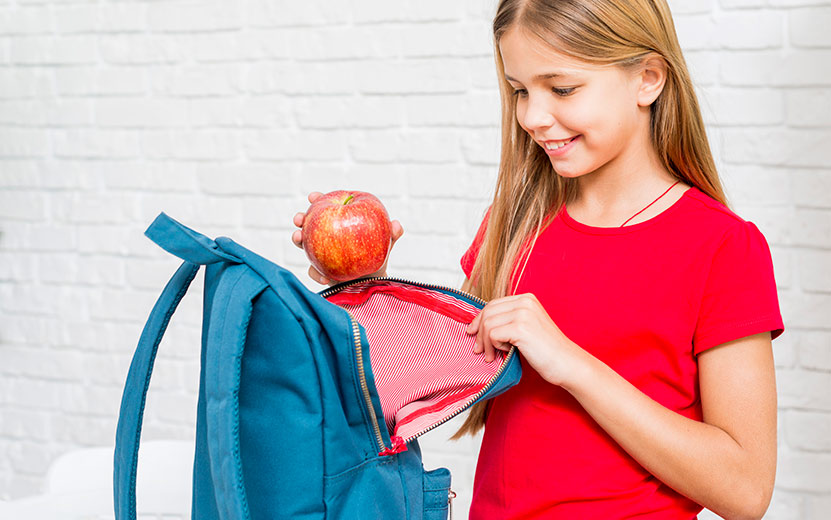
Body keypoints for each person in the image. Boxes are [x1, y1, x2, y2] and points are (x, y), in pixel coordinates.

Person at [292, 0, 785, 518]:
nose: (532, 116)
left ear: (648, 79)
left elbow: (745, 491)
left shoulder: (722, 247)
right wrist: (360, 286)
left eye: (562, 89)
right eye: (520, 90)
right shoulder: (517, 222)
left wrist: (570, 362)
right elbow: (424, 386)